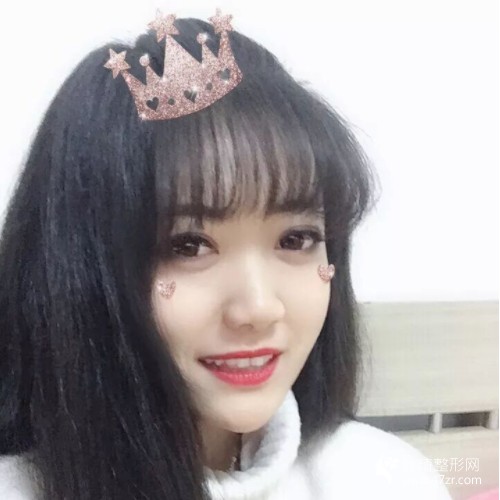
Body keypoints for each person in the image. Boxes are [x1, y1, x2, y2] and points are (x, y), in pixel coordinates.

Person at [0, 8, 452, 500]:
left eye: (296, 239)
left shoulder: (383, 479)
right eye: (188, 246)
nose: (258, 308)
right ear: (81, 272)